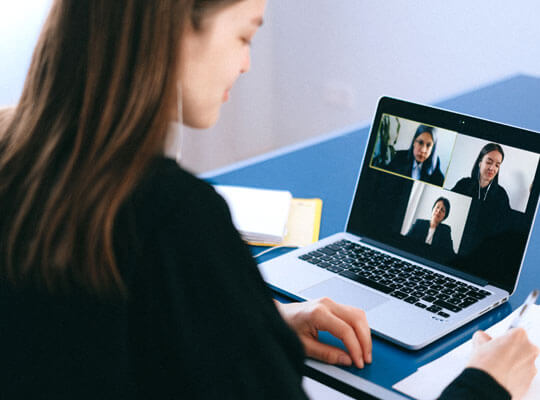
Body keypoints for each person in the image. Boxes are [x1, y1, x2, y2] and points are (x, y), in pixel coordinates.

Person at [0, 1, 537, 399]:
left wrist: (257, 326)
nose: (248, 64)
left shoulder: (21, 160)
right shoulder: (175, 218)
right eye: (243, 36)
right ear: (173, 30)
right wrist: (484, 385)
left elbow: (99, 335)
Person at [452, 143, 510, 209]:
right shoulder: (463, 184)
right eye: (489, 162)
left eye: (497, 165)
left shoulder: (501, 194)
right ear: (480, 163)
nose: (492, 168)